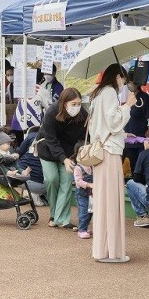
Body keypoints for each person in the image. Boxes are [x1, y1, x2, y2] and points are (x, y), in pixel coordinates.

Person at [89, 64, 133, 262]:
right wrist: (127, 106)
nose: (124, 83)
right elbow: (114, 121)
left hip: (101, 152)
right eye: (123, 79)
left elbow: (103, 124)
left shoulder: (98, 95)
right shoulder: (108, 93)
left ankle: (104, 249)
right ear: (117, 77)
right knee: (111, 200)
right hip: (109, 152)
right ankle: (112, 250)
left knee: (103, 201)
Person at [36, 88, 88, 229]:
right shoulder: (51, 113)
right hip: (47, 149)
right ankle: (54, 214)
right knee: (51, 180)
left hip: (70, 152)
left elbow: (84, 136)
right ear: (64, 103)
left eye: (79, 103)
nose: (77, 107)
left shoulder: (83, 114)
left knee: (66, 182)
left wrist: (75, 153)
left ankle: (63, 219)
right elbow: (51, 140)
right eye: (73, 103)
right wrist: (63, 159)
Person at [123, 77, 149, 174]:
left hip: (142, 141)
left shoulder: (144, 98)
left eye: (131, 81)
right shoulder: (127, 98)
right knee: (133, 168)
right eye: (128, 82)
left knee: (142, 168)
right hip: (128, 141)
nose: (129, 84)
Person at [73, 160, 94, 239]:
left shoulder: (92, 166)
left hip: (91, 194)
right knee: (84, 211)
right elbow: (78, 181)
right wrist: (89, 185)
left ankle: (86, 226)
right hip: (82, 195)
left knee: (90, 211)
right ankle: (81, 230)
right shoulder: (78, 168)